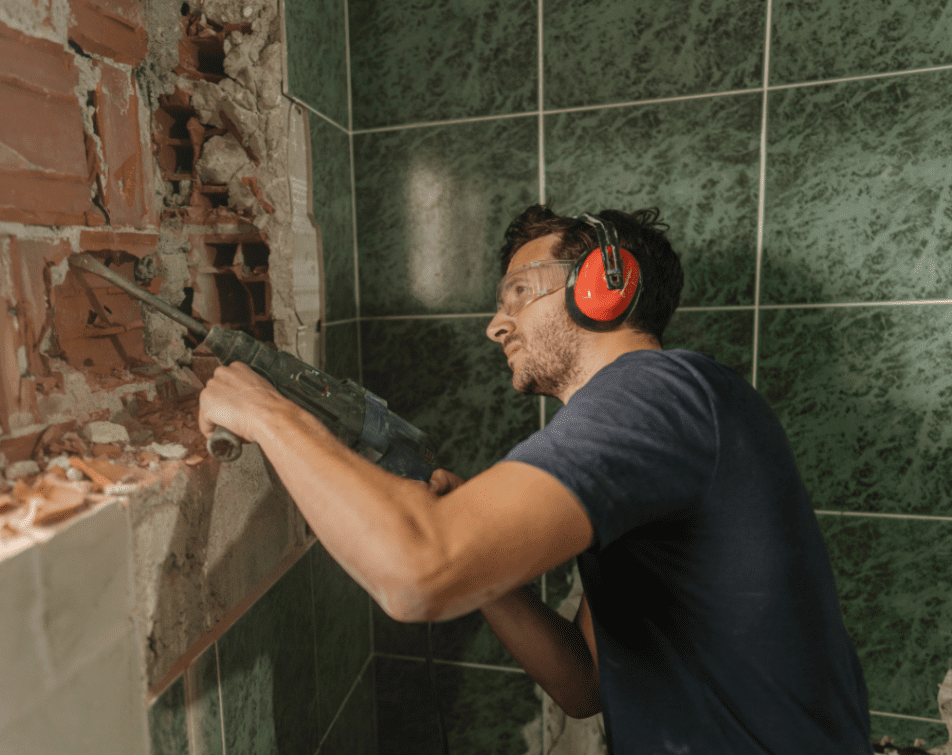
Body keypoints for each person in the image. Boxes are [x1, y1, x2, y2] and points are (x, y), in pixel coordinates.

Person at [198, 203, 873, 754]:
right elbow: (584, 685)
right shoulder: (661, 429)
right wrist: (488, 575)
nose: (497, 325)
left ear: (603, 285)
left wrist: (270, 415)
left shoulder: (658, 391)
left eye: (519, 294)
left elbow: (414, 573)